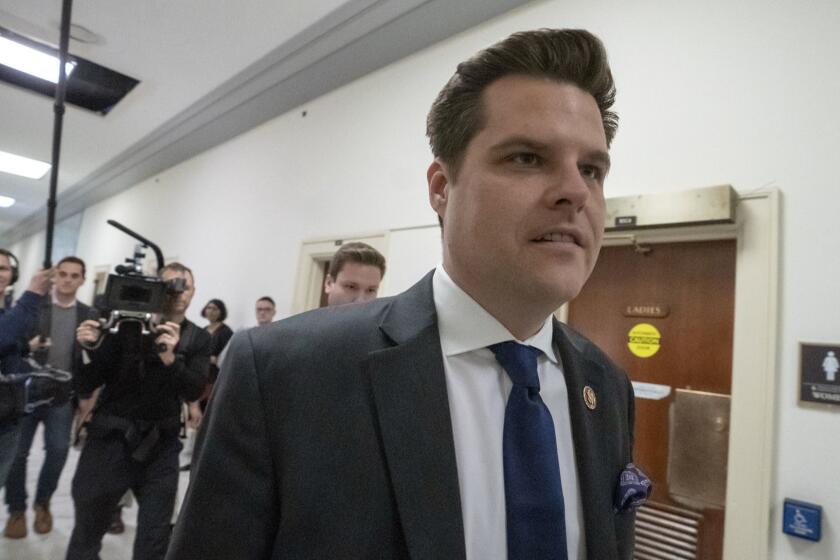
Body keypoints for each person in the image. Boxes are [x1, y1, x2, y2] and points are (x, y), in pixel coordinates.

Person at [169, 29, 643, 560]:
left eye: (592, 169)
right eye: (528, 158)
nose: (576, 192)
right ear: (442, 187)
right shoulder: (282, 374)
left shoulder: (607, 387)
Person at [67, 262, 210, 560]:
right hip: (109, 442)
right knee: (87, 532)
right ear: (156, 289)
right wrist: (86, 349)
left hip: (161, 446)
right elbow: (87, 383)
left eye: (185, 285)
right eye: (169, 285)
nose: (177, 292)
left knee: (154, 539)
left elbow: (194, 390)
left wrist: (171, 358)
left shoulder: (197, 338)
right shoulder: (124, 326)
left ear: (194, 292)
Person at [3, 256, 91, 539]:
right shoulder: (34, 308)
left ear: (82, 280)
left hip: (62, 397)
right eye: (62, 274)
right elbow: (11, 342)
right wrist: (28, 347)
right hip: (26, 393)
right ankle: (16, 509)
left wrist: (88, 396)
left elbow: (91, 360)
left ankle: (43, 502)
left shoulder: (89, 314)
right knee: (18, 455)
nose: (67, 280)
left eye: (74, 275)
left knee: (58, 451)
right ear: (54, 278)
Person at [0, 249, 53, 489]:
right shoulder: (21, 307)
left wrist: (24, 347)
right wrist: (32, 294)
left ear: (13, 274)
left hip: (9, 414)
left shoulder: (12, 310)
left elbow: (10, 341)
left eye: (3, 268)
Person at [323, 242, 386, 306]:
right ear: (329, 283)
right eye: (351, 287)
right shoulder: (313, 315)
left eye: (371, 290)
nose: (361, 301)